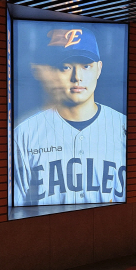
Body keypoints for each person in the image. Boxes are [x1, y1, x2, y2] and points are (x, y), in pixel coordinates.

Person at [13, 27, 126, 206]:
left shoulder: (124, 128)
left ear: (99, 69)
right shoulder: (24, 134)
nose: (77, 77)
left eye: (86, 66)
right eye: (66, 67)